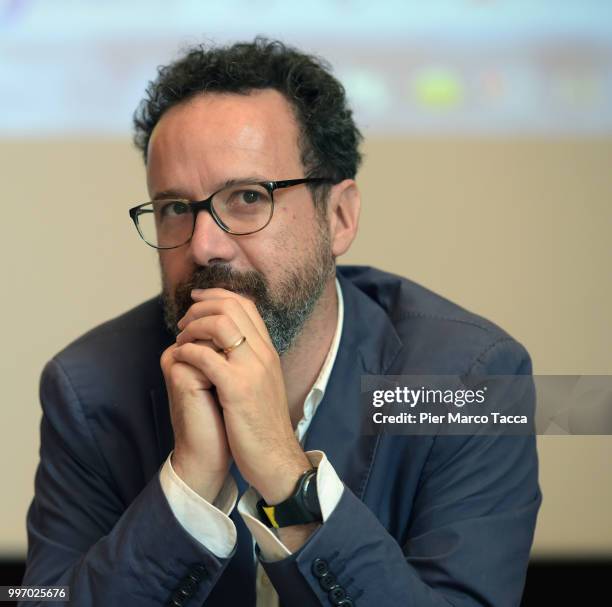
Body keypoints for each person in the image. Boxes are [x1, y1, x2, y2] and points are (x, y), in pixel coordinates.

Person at [22, 38, 541, 607]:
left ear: (339, 217)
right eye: (175, 209)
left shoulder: (473, 381)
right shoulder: (89, 389)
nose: (204, 246)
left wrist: (286, 476)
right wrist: (188, 487)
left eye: (247, 197)